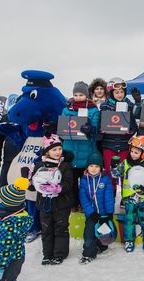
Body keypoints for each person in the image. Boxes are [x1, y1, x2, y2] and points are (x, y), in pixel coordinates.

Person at [31, 133, 74, 265]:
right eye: (54, 149)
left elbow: (69, 182)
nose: (58, 152)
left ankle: (59, 254)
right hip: (44, 203)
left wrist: (59, 188)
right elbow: (34, 182)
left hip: (61, 203)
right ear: (47, 151)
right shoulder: (39, 165)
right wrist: (32, 183)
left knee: (60, 228)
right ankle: (47, 254)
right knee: (46, 229)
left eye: (59, 149)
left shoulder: (65, 165)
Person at [60, 81, 101, 210]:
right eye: (76, 94)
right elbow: (62, 129)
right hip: (70, 150)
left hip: (86, 150)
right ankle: (73, 204)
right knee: (70, 181)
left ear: (87, 95)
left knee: (86, 181)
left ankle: (86, 204)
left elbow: (96, 130)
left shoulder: (93, 110)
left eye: (81, 95)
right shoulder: (66, 109)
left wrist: (91, 129)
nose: (78, 97)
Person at [111, 135, 144, 253]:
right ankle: (129, 240)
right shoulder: (125, 163)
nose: (133, 154)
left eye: (137, 152)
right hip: (129, 199)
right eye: (132, 151)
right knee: (129, 220)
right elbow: (115, 174)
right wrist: (113, 165)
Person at [99, 77, 139, 190]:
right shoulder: (105, 106)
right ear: (111, 93)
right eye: (116, 92)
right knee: (109, 172)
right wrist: (102, 129)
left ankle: (125, 197)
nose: (119, 94)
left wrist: (130, 131)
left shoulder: (129, 106)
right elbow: (99, 125)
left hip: (124, 145)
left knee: (125, 172)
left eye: (122, 92)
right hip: (109, 145)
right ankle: (111, 196)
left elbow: (134, 126)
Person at [79, 152, 115, 264]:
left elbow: (109, 197)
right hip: (92, 215)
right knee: (89, 234)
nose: (93, 169)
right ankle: (88, 254)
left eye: (96, 166)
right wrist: (90, 213)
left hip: (103, 214)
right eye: (91, 166)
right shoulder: (84, 181)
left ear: (101, 167)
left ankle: (101, 247)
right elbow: (83, 199)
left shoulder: (105, 180)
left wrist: (109, 213)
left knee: (103, 233)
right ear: (87, 167)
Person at [0, 113, 21, 188]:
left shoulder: (35, 114)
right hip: (9, 159)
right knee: (4, 186)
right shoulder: (7, 118)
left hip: (28, 158)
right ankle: (3, 199)